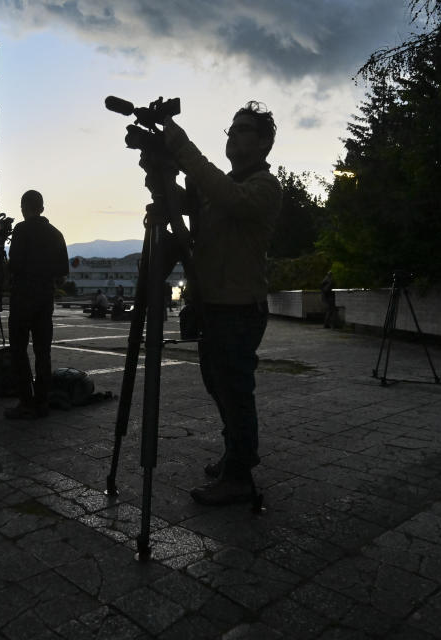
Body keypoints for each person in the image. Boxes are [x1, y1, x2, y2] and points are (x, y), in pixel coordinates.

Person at [162, 101, 283, 505]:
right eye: (230, 129)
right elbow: (194, 202)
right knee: (218, 386)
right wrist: (159, 174)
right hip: (214, 305)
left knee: (235, 390)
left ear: (265, 143)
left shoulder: (264, 186)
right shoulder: (222, 189)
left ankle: (240, 474)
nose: (233, 134)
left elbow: (229, 197)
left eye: (244, 129)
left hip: (239, 307)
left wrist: (182, 146)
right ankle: (235, 454)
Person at [5, 190, 69, 419]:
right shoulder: (56, 234)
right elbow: (62, 275)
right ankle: (42, 403)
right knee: (43, 352)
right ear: (42, 208)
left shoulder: (21, 230)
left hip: (23, 298)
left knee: (19, 351)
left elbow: (13, 267)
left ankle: (26, 402)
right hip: (45, 301)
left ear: (23, 207)